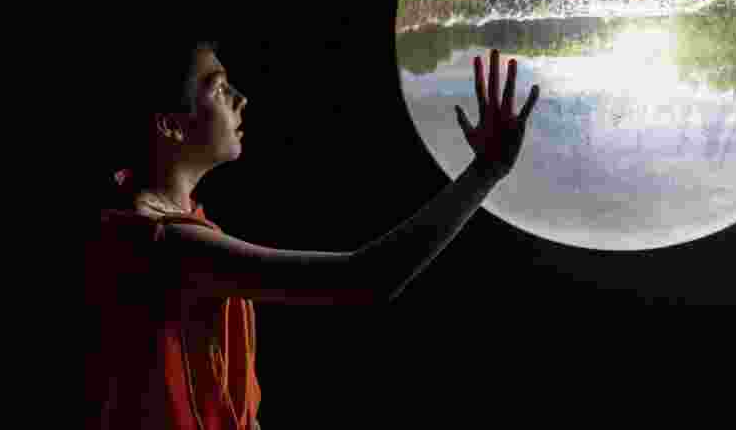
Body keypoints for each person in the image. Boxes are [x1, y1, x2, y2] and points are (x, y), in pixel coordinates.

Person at [88, 42, 541, 430]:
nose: (241, 98)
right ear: (170, 124)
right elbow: (365, 278)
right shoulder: (165, 246)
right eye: (219, 88)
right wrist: (486, 172)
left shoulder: (163, 224)